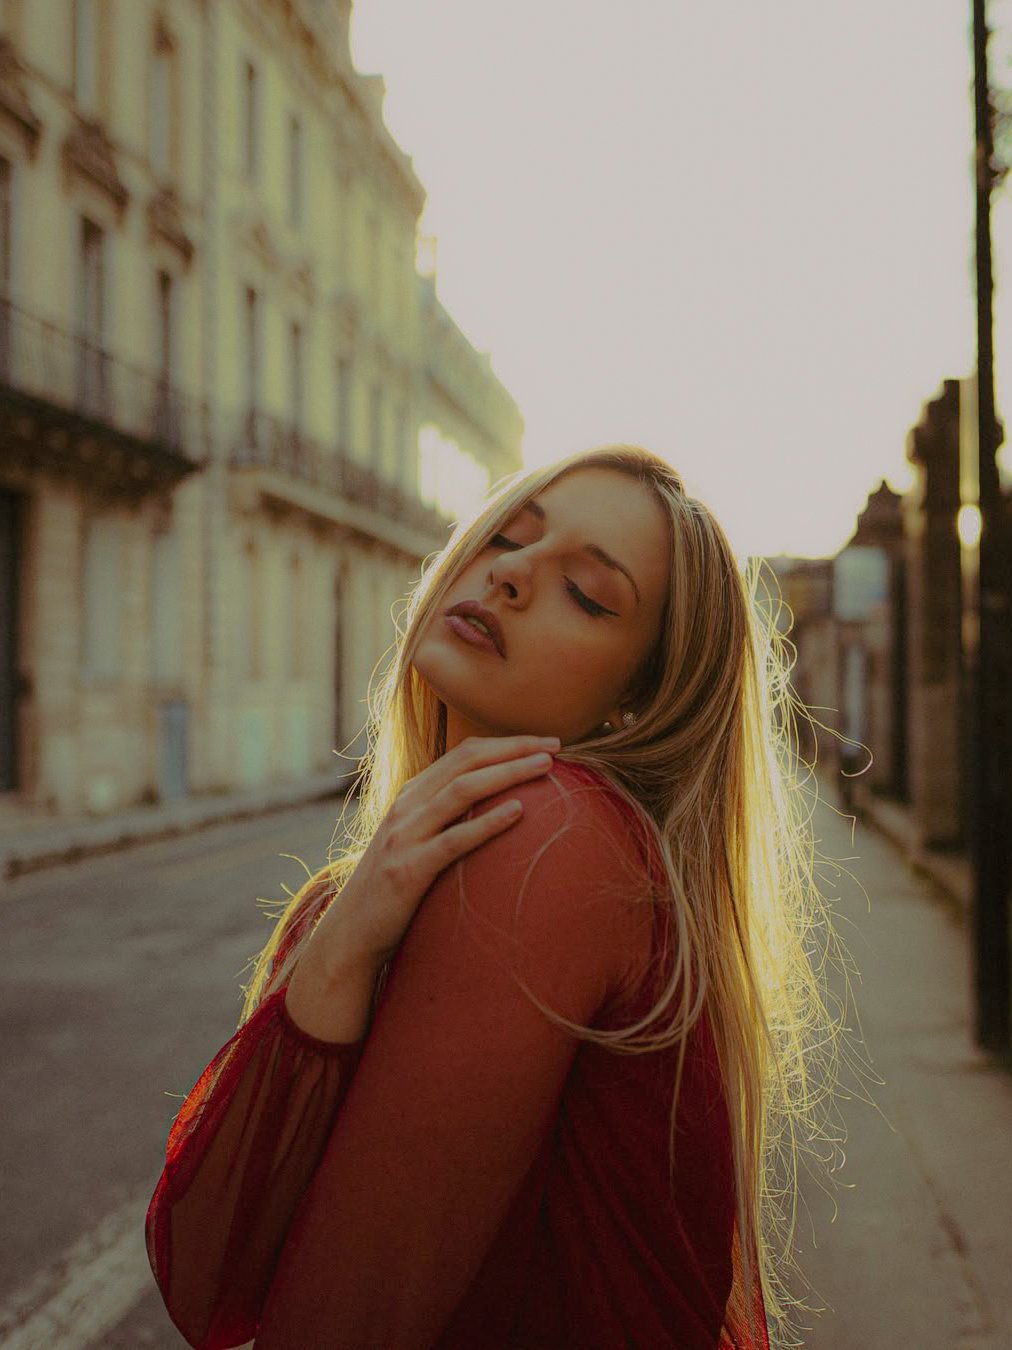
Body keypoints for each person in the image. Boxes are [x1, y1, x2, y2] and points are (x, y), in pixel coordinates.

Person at [146, 444, 847, 1349]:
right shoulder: (378, 889)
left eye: (587, 594)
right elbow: (207, 1278)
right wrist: (342, 941)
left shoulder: (556, 837)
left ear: (638, 700)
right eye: (507, 538)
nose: (511, 574)